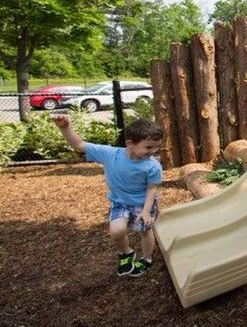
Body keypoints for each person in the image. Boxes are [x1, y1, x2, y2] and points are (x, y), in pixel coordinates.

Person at [51, 115, 163, 277]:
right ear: (130, 144)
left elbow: (152, 189)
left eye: (156, 147)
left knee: (145, 232)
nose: (153, 151)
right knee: (116, 231)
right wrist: (64, 127)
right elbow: (79, 145)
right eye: (149, 147)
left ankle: (147, 259)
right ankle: (126, 253)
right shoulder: (110, 155)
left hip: (142, 204)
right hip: (119, 203)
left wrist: (146, 211)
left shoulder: (152, 166)